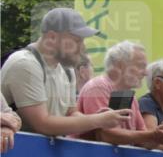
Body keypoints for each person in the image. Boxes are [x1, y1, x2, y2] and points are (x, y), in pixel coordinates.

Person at [0, 7, 130, 136]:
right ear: (52, 37)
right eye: (77, 40)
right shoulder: (25, 64)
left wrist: (97, 120)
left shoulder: (67, 70)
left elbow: (71, 113)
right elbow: (42, 124)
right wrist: (96, 121)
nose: (83, 47)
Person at [76, 40, 163, 148]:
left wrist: (161, 137)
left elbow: (142, 142)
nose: (145, 73)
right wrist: (153, 135)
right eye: (141, 66)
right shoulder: (98, 88)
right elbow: (108, 136)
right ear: (120, 65)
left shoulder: (124, 95)